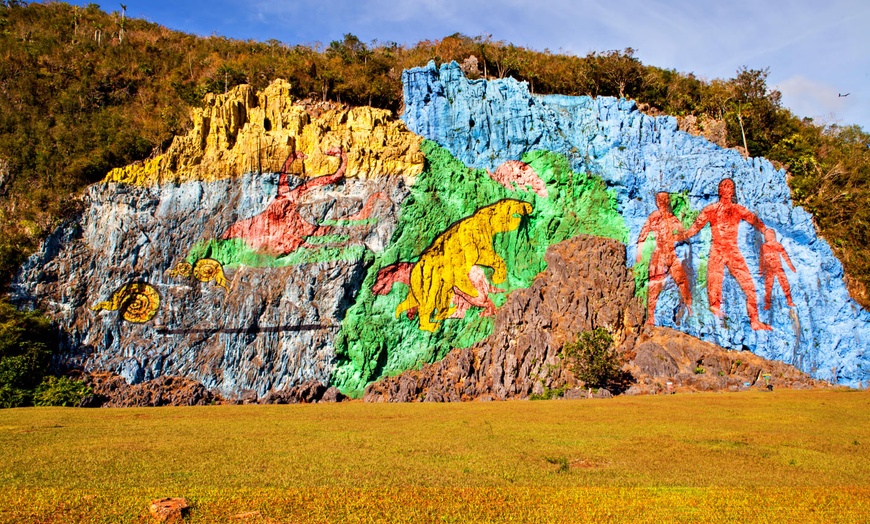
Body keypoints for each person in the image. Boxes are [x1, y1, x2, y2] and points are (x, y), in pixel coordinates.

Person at [682, 178, 771, 331]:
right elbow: (695, 227)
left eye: (730, 186)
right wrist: (680, 236)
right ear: (719, 190)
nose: (727, 188)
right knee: (714, 283)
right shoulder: (711, 209)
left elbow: (754, 219)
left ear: (733, 190)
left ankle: (754, 320)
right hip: (717, 249)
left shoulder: (738, 209)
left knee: (748, 285)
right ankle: (715, 313)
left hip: (732, 250)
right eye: (724, 186)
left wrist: (765, 231)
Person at [636, 192, 693, 325]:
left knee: (682, 281)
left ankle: (690, 308)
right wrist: (639, 252)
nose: (663, 201)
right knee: (655, 285)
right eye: (660, 199)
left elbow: (682, 233)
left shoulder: (672, 218)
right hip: (659, 255)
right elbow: (643, 233)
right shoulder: (654, 217)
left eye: (665, 198)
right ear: (657, 201)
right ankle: (650, 317)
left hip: (672, 254)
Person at [760, 228, 796, 310]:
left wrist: (791, 267)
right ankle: (768, 304)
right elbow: (762, 260)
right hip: (770, 269)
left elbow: (785, 256)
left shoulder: (777, 245)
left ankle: (789, 301)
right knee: (768, 287)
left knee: (784, 285)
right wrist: (761, 270)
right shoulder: (764, 246)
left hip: (778, 268)